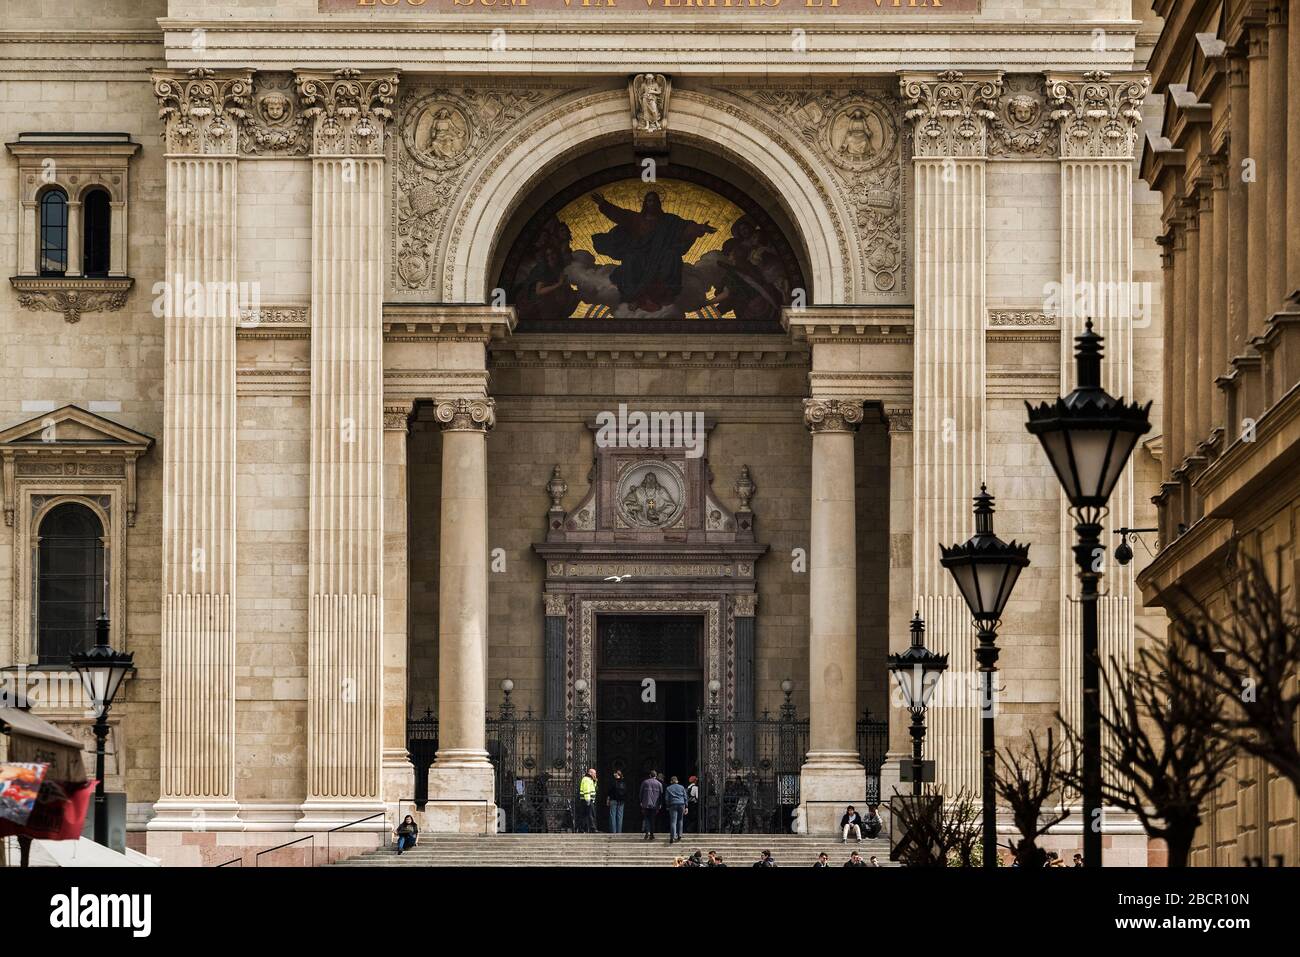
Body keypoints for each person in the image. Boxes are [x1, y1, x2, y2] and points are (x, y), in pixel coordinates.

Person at [640, 768, 664, 841]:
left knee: (646, 819)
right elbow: (661, 795)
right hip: (655, 805)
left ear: (650, 775)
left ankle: (647, 833)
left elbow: (641, 793)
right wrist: (660, 804)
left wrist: (641, 801)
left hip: (646, 803)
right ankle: (652, 835)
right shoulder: (659, 784)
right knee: (652, 819)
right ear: (656, 776)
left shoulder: (645, 782)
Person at [665, 775, 688, 844]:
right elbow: (685, 797)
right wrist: (686, 806)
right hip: (681, 804)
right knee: (680, 820)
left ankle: (673, 836)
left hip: (673, 805)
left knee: (673, 821)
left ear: (671, 781)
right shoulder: (682, 787)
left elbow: (666, 799)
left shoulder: (668, 788)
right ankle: (680, 835)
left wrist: (667, 806)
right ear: (677, 781)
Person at [578, 767, 598, 833]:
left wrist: (594, 781)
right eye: (594, 773)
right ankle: (593, 829)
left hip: (586, 800)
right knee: (591, 814)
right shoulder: (587, 779)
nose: (595, 774)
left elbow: (593, 788)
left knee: (585, 815)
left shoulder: (589, 779)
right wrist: (588, 800)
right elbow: (586, 790)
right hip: (587, 800)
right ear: (590, 773)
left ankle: (582, 829)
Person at [607, 769, 627, 834]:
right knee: (620, 816)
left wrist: (608, 799)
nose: (613, 774)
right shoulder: (624, 782)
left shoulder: (612, 782)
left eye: (614, 773)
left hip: (613, 800)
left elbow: (609, 791)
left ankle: (613, 831)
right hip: (621, 801)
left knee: (612, 816)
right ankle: (619, 831)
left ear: (616, 774)